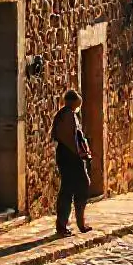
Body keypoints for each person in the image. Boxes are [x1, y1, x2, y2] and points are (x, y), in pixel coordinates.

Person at [51, 90, 93, 236]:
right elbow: (70, 138)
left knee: (72, 188)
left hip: (69, 156)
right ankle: (69, 224)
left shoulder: (66, 114)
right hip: (70, 156)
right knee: (76, 187)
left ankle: (71, 223)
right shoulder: (67, 115)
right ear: (73, 101)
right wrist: (81, 155)